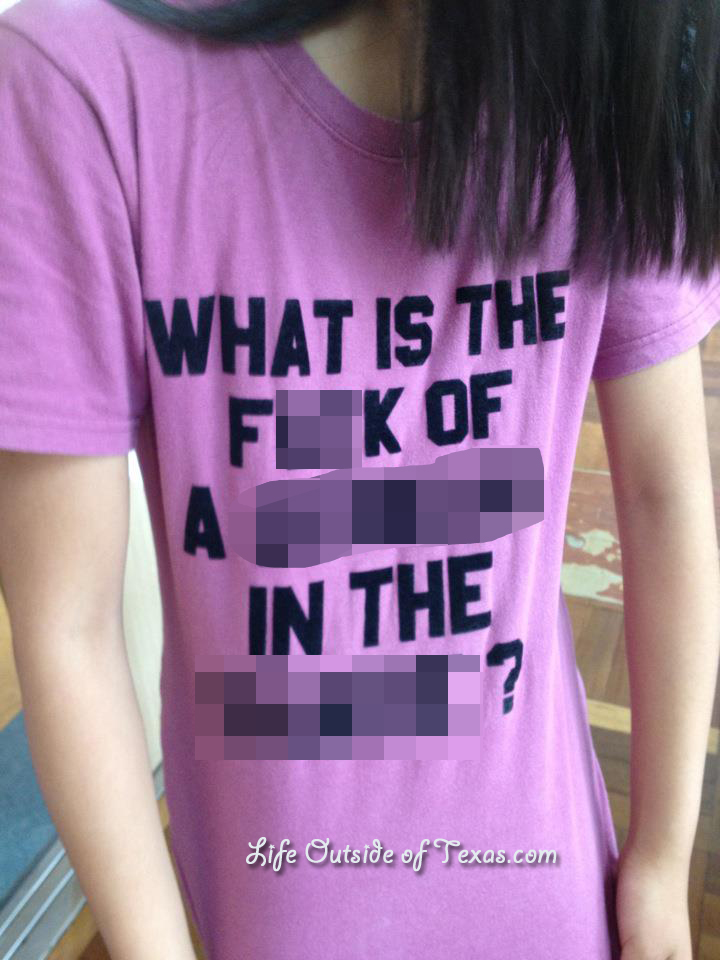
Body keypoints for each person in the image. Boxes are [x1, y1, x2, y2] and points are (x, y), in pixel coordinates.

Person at [0, 0, 718, 957]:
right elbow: (67, 624)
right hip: (270, 907)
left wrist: (662, 858)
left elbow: (665, 499)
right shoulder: (81, 81)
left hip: (552, 893)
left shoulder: (606, 66)